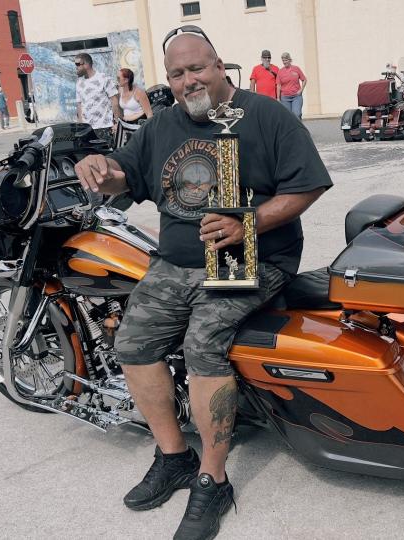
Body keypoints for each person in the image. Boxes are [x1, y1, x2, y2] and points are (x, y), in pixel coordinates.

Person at [74, 27, 331, 540]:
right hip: (177, 261)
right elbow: (127, 172)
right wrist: (102, 169)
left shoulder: (265, 115)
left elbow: (308, 184)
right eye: (176, 73)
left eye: (198, 68)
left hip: (250, 254)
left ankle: (213, 479)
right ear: (167, 80)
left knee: (203, 344)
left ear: (219, 66)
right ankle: (174, 456)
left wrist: (248, 222)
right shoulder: (163, 124)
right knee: (133, 342)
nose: (189, 79)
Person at [75, 53, 121, 145]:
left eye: (77, 64)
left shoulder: (104, 78)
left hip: (104, 127)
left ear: (86, 64)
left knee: (107, 157)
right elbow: (79, 105)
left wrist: (117, 123)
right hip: (87, 130)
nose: (76, 67)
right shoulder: (79, 82)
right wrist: (81, 126)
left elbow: (114, 102)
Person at [277, 52, 307, 118]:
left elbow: (304, 80)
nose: (284, 62)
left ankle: (299, 127)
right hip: (285, 98)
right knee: (288, 116)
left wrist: (301, 90)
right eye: (283, 60)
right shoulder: (280, 71)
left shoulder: (296, 69)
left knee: (297, 114)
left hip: (296, 97)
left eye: (286, 60)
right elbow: (278, 85)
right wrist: (278, 98)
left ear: (290, 60)